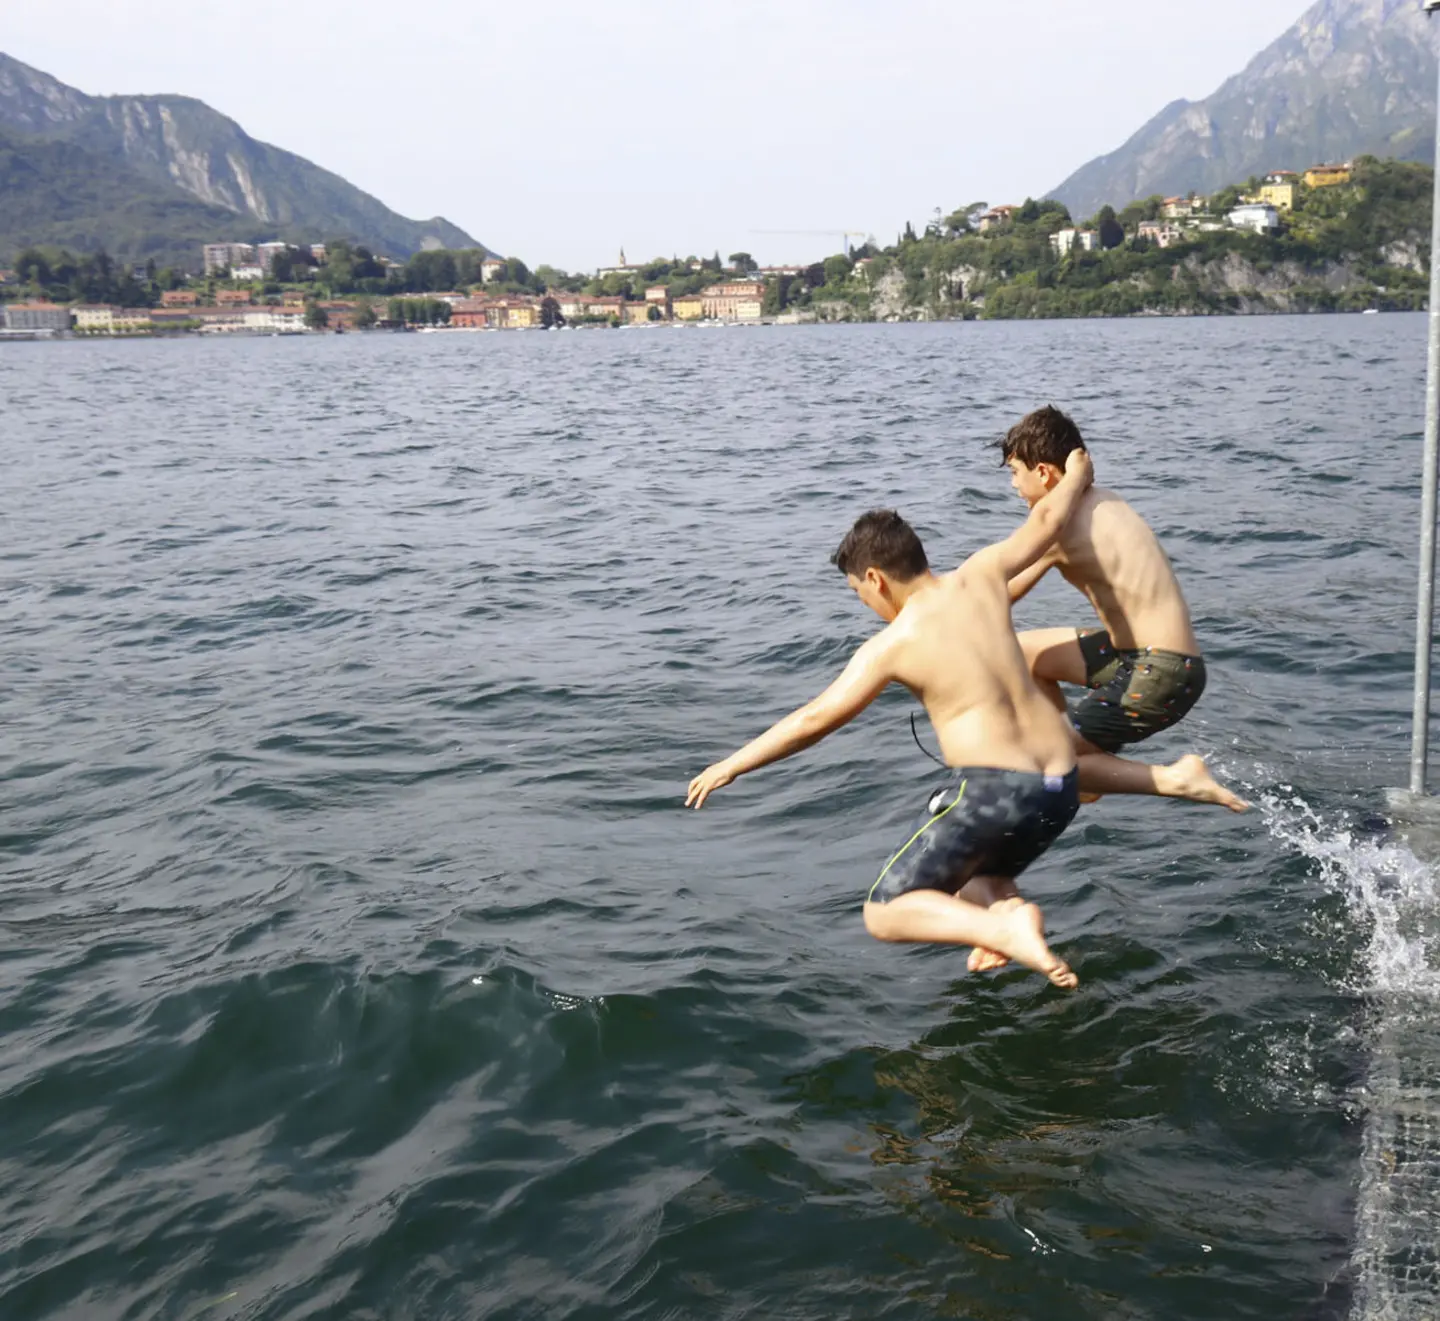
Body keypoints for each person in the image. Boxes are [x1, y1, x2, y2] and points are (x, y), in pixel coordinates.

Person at [685, 450, 1245, 990]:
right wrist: (1077, 474)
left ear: (877, 579)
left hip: (998, 793)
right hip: (1061, 789)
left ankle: (999, 925)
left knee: (885, 912)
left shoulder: (893, 644)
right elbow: (1048, 519)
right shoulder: (983, 576)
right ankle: (1002, 913)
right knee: (978, 873)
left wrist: (731, 765)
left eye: (860, 595)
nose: (867, 606)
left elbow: (816, 719)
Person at [1001, 405, 1206, 758]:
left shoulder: (1058, 527)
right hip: (1148, 659)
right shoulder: (1103, 498)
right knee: (1022, 653)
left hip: (1162, 671)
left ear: (1045, 473)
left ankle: (1076, 761)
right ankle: (1079, 749)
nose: (1013, 484)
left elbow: (997, 594)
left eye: (1016, 472)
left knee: (1047, 762)